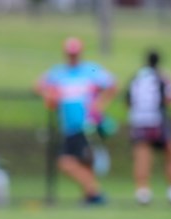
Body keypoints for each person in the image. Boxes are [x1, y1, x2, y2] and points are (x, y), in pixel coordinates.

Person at [35, 37, 116, 205]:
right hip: (68, 126)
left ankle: (94, 192)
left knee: (67, 161)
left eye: (75, 53)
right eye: (70, 54)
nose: (73, 57)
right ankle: (91, 195)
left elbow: (111, 85)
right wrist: (49, 95)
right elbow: (39, 85)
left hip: (86, 125)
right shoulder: (58, 72)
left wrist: (99, 105)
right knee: (78, 162)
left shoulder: (90, 70)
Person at [126, 49, 171, 206]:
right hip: (159, 120)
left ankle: (143, 193)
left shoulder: (136, 77)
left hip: (140, 121)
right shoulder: (164, 76)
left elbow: (128, 100)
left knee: (142, 156)